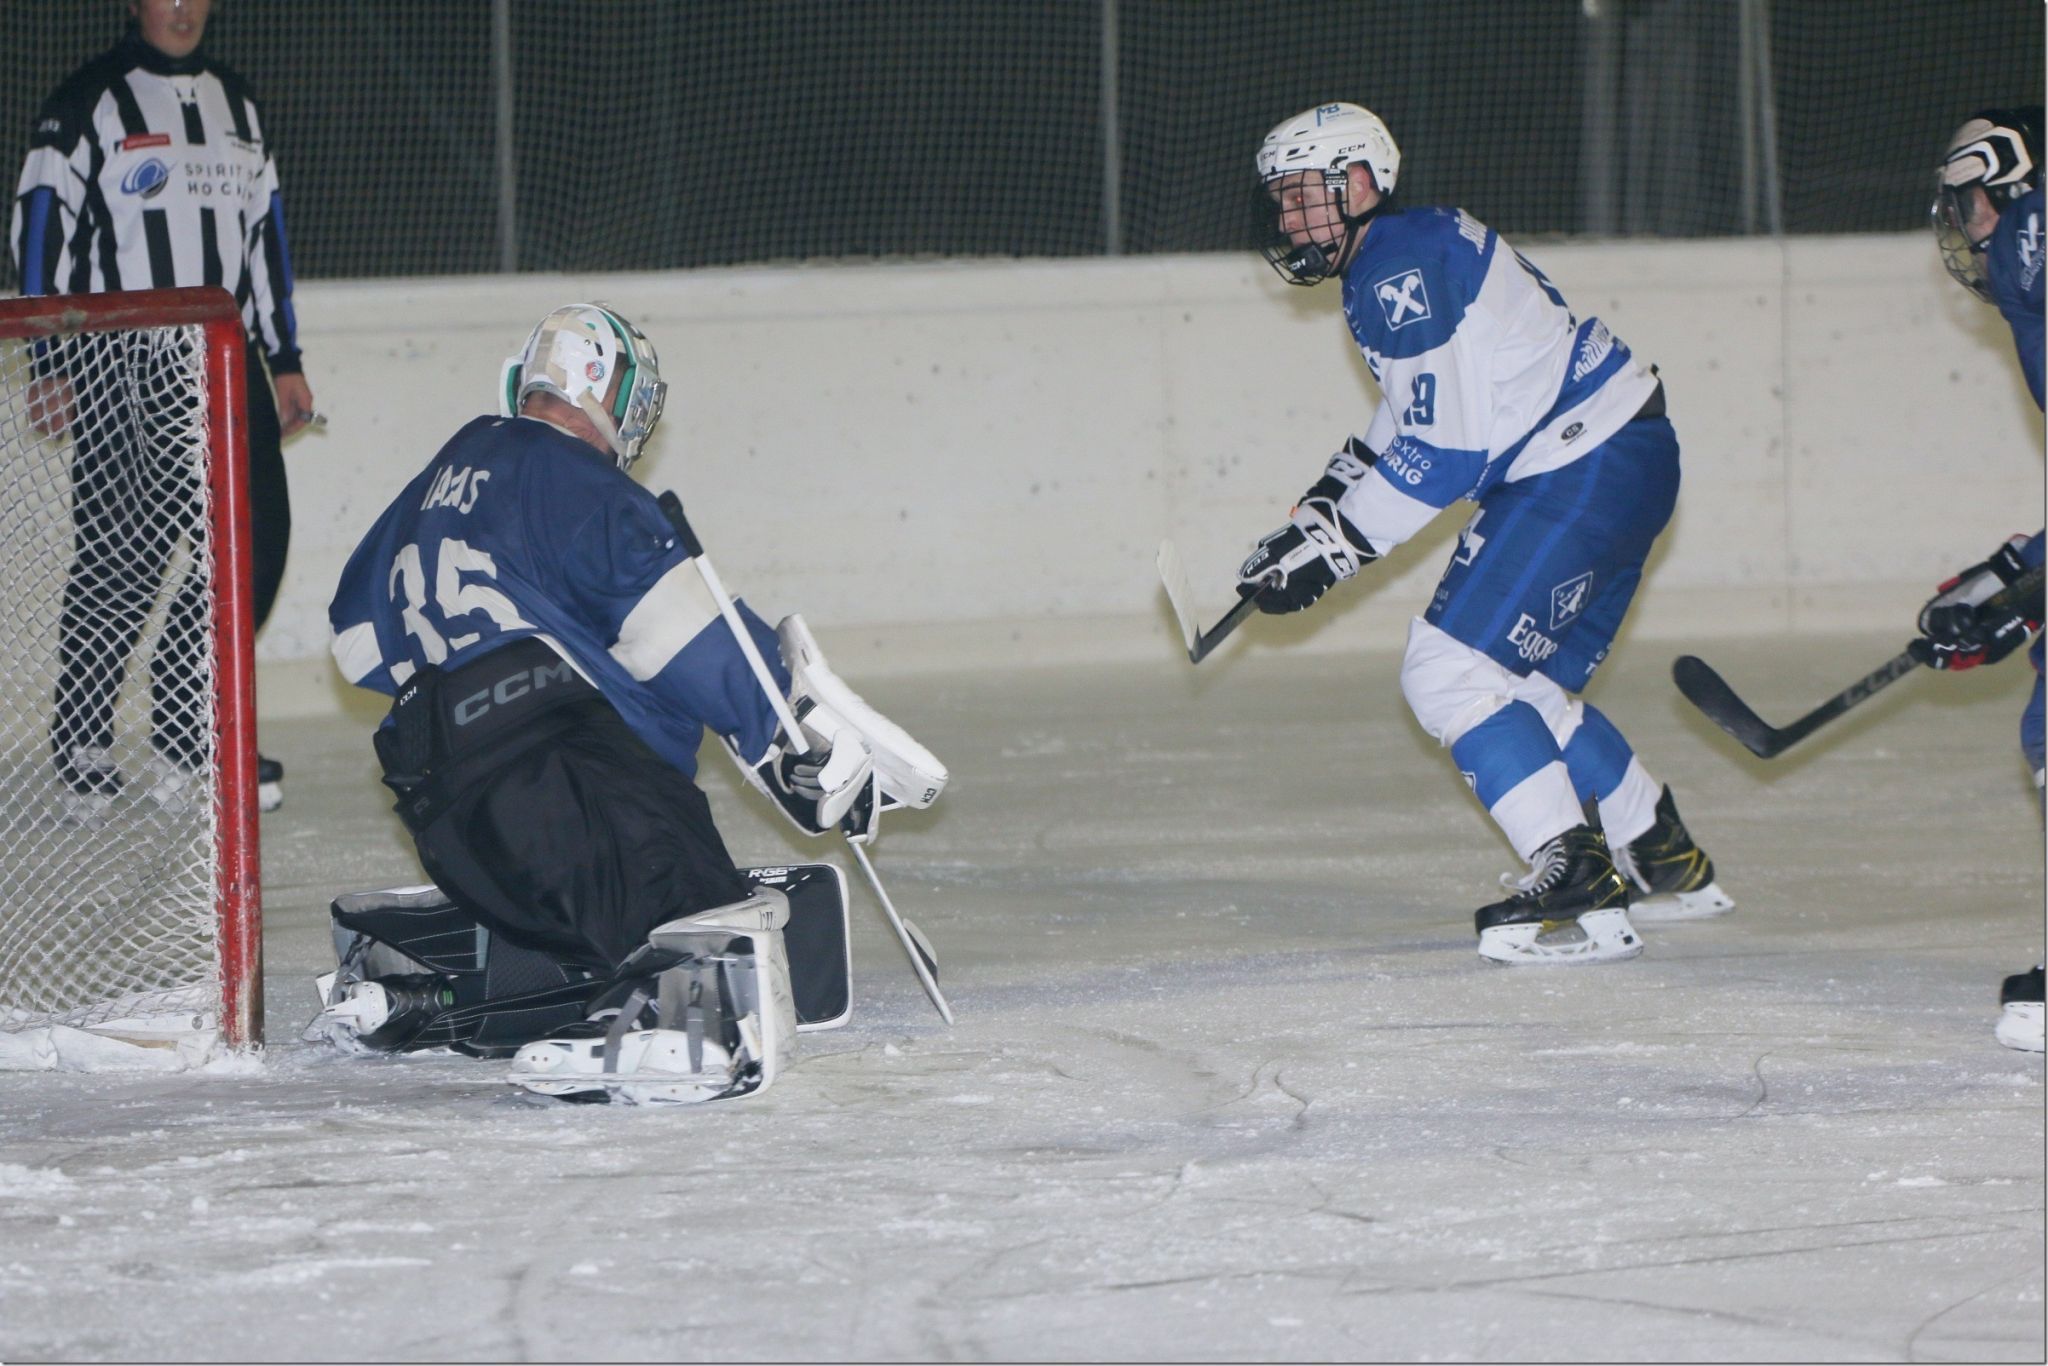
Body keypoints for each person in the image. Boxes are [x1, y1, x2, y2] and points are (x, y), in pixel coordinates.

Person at [312, 303, 935, 1104]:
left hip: (446, 812)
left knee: (590, 935)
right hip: (571, 781)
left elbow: (357, 640)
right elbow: (685, 635)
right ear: (605, 386)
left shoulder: (445, 471)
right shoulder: (572, 477)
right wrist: (792, 741)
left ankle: (427, 991)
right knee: (701, 923)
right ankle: (687, 1026)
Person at [1234, 102, 1730, 966]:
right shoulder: (1407, 247)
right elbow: (1419, 410)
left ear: (1358, 183)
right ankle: (1661, 852)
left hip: (1578, 469)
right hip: (1621, 455)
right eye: (1279, 201)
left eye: (1302, 195)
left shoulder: (1396, 269)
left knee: (1449, 671)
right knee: (1518, 684)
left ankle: (1576, 878)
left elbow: (1449, 453)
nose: (1288, 218)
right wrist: (1328, 501)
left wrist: (1336, 549)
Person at [8, 0, 314, 819]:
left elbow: (265, 239)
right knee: (123, 553)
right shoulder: (88, 100)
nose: (180, 7)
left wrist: (282, 358)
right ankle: (81, 742)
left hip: (224, 362)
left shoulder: (237, 102)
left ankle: (188, 733)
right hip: (120, 358)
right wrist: (49, 357)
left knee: (255, 542)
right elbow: (39, 228)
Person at [1922, 106, 2045, 1053]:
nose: (1964, 227)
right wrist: (2017, 569)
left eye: (1969, 203)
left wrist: (2025, 606)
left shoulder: (2029, 256)